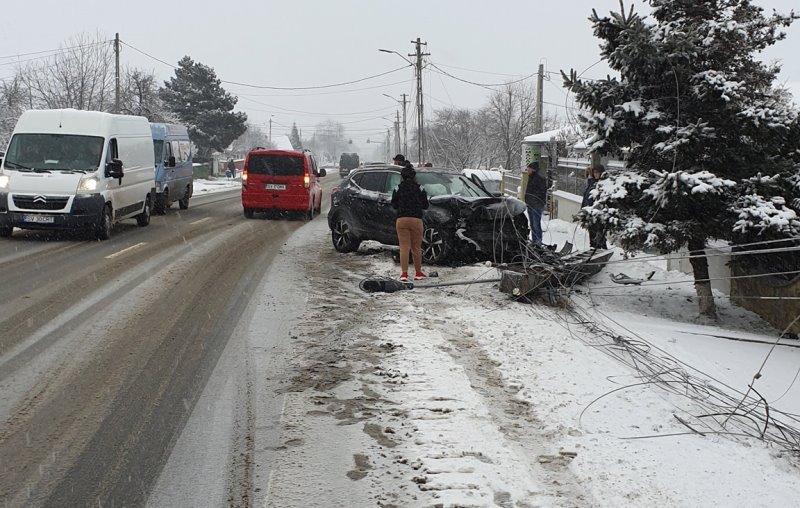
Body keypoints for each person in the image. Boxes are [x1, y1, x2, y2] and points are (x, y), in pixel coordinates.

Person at [391, 164, 429, 282]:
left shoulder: (398, 188)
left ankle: (404, 274)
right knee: (416, 247)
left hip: (401, 219)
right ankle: (418, 272)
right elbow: (425, 205)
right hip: (416, 219)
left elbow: (394, 204)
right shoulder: (420, 188)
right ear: (414, 176)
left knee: (404, 247)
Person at [581, 164, 608, 249]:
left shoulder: (603, 184)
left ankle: (601, 250)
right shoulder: (592, 182)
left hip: (597, 214)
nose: (596, 174)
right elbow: (586, 197)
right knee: (592, 234)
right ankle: (594, 248)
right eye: (594, 172)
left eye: (597, 172)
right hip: (589, 212)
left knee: (599, 234)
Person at [524, 161, 547, 243]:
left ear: (533, 169)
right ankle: (535, 241)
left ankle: (538, 242)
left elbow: (539, 192)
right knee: (533, 225)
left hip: (536, 205)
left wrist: (534, 200)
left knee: (536, 224)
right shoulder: (532, 177)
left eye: (529, 169)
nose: (527, 171)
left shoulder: (538, 178)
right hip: (531, 204)